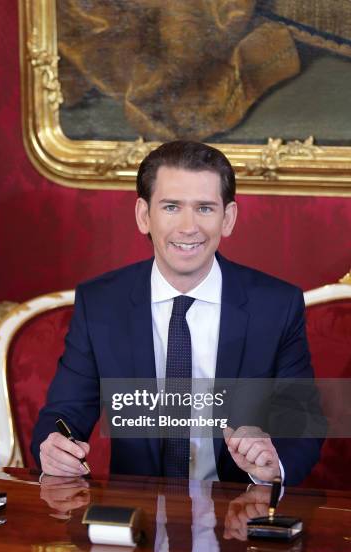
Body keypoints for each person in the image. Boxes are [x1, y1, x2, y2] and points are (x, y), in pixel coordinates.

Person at [31, 140, 322, 485]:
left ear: (227, 218)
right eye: (171, 207)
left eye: (204, 208)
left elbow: (301, 426)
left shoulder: (276, 306)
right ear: (144, 216)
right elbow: (63, 413)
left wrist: (273, 466)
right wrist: (53, 448)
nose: (188, 227)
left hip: (237, 516)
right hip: (136, 519)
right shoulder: (101, 304)